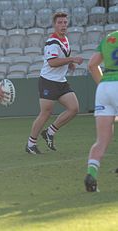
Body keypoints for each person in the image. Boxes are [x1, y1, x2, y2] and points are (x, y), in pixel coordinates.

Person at [25, 12, 83, 154]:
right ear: (54, 25)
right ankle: (30, 144)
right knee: (45, 113)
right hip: (48, 82)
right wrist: (71, 60)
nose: (63, 25)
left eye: (65, 22)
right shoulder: (52, 42)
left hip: (61, 81)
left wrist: (70, 64)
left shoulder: (65, 39)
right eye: (60, 23)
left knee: (74, 108)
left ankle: (49, 132)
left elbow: (64, 56)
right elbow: (52, 62)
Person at [84, 30, 118, 192]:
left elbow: (92, 65)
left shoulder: (109, 38)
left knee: (101, 140)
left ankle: (91, 173)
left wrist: (105, 87)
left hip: (104, 88)